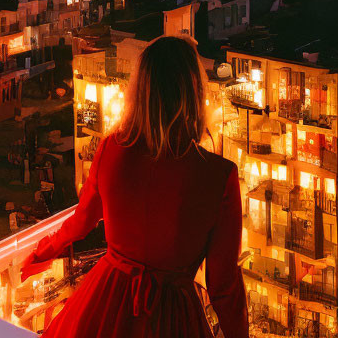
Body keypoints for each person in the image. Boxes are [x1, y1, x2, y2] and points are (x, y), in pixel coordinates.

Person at [21, 36, 247, 338]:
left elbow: (80, 223)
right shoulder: (218, 175)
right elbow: (223, 286)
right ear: (193, 93)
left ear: (139, 91)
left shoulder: (111, 150)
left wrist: (41, 253)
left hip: (105, 301)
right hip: (170, 316)